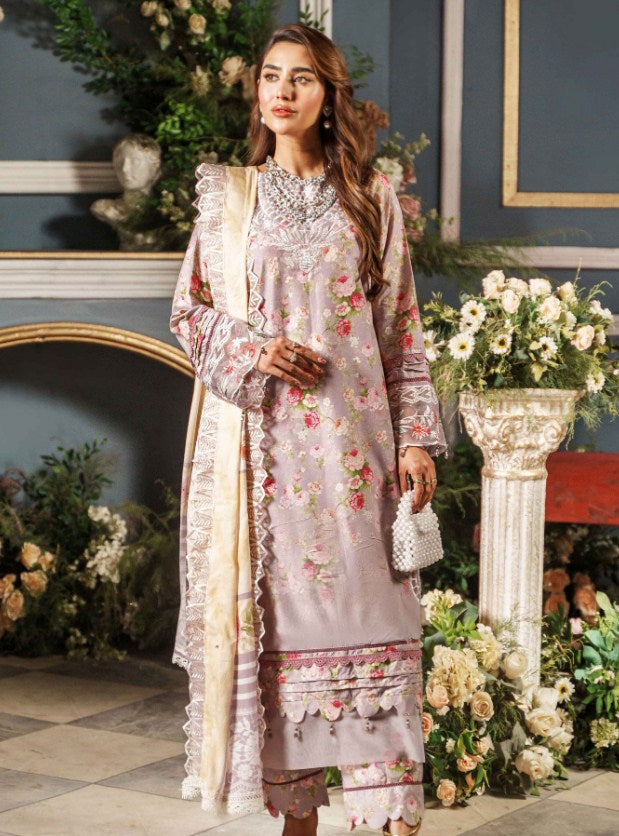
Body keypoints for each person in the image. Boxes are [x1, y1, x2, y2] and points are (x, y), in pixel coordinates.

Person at [169, 22, 448, 836]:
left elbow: (399, 328)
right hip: (265, 465)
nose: (282, 90)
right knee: (282, 644)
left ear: (328, 98)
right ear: (257, 91)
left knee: (377, 628)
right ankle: (297, 819)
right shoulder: (230, 200)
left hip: (355, 456)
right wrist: (255, 349)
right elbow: (189, 312)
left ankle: (388, 818)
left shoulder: (371, 197)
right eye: (270, 76)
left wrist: (415, 438)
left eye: (301, 78)